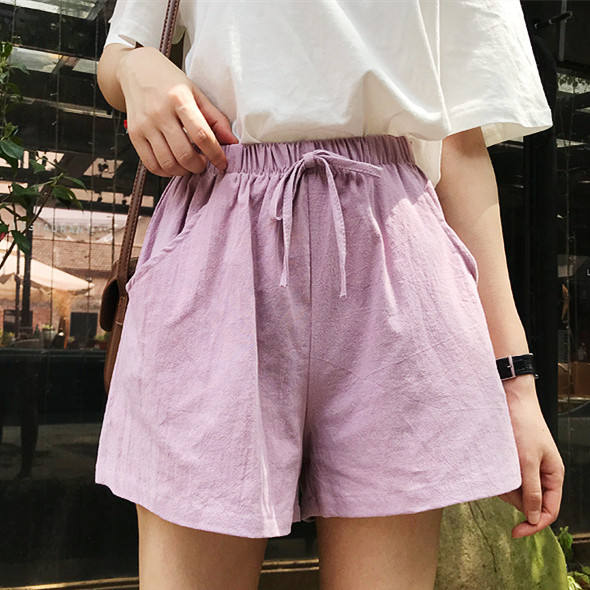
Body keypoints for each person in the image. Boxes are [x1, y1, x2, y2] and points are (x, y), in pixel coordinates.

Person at [94, 1, 565, 589]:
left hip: (394, 263)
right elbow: (120, 51)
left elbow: (459, 144)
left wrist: (516, 383)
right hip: (222, 247)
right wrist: (136, 68)